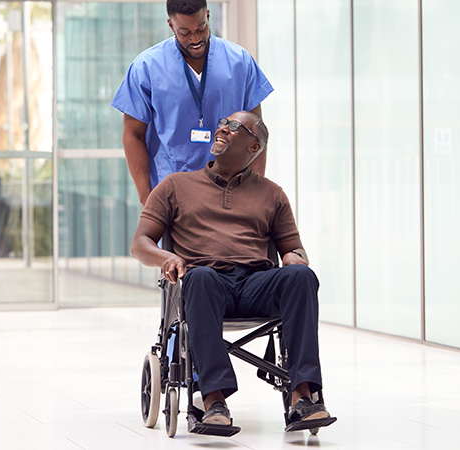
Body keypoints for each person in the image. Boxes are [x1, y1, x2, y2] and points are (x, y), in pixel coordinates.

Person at [130, 111, 336, 434]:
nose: (222, 128)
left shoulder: (272, 194)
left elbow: (294, 250)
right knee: (199, 277)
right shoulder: (176, 186)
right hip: (208, 286)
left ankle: (303, 398)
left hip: (257, 284)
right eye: (223, 123)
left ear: (254, 147)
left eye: (234, 126)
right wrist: (166, 258)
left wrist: (297, 259)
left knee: (302, 277)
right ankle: (212, 402)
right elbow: (140, 243)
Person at [112, 0, 273, 206]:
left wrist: (255, 192)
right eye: (185, 33)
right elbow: (133, 134)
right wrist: (147, 200)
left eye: (201, 29)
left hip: (231, 194)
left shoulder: (240, 62)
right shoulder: (146, 67)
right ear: (171, 25)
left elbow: (257, 133)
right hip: (171, 197)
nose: (195, 39)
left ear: (207, 16)